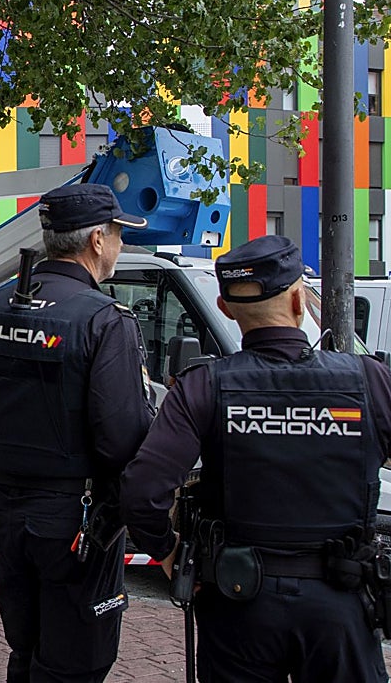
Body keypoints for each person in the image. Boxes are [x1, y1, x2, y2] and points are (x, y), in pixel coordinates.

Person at [121, 235, 391, 682]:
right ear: (299, 300)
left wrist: (171, 556)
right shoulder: (369, 381)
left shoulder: (203, 386)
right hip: (341, 604)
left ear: (226, 308)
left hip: (237, 601)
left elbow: (142, 490)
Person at [0, 183, 155, 682]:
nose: (120, 244)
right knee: (76, 662)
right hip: (75, 522)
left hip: (5, 514)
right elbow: (124, 441)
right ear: (97, 240)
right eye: (118, 234)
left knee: (26, 652)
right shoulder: (104, 320)